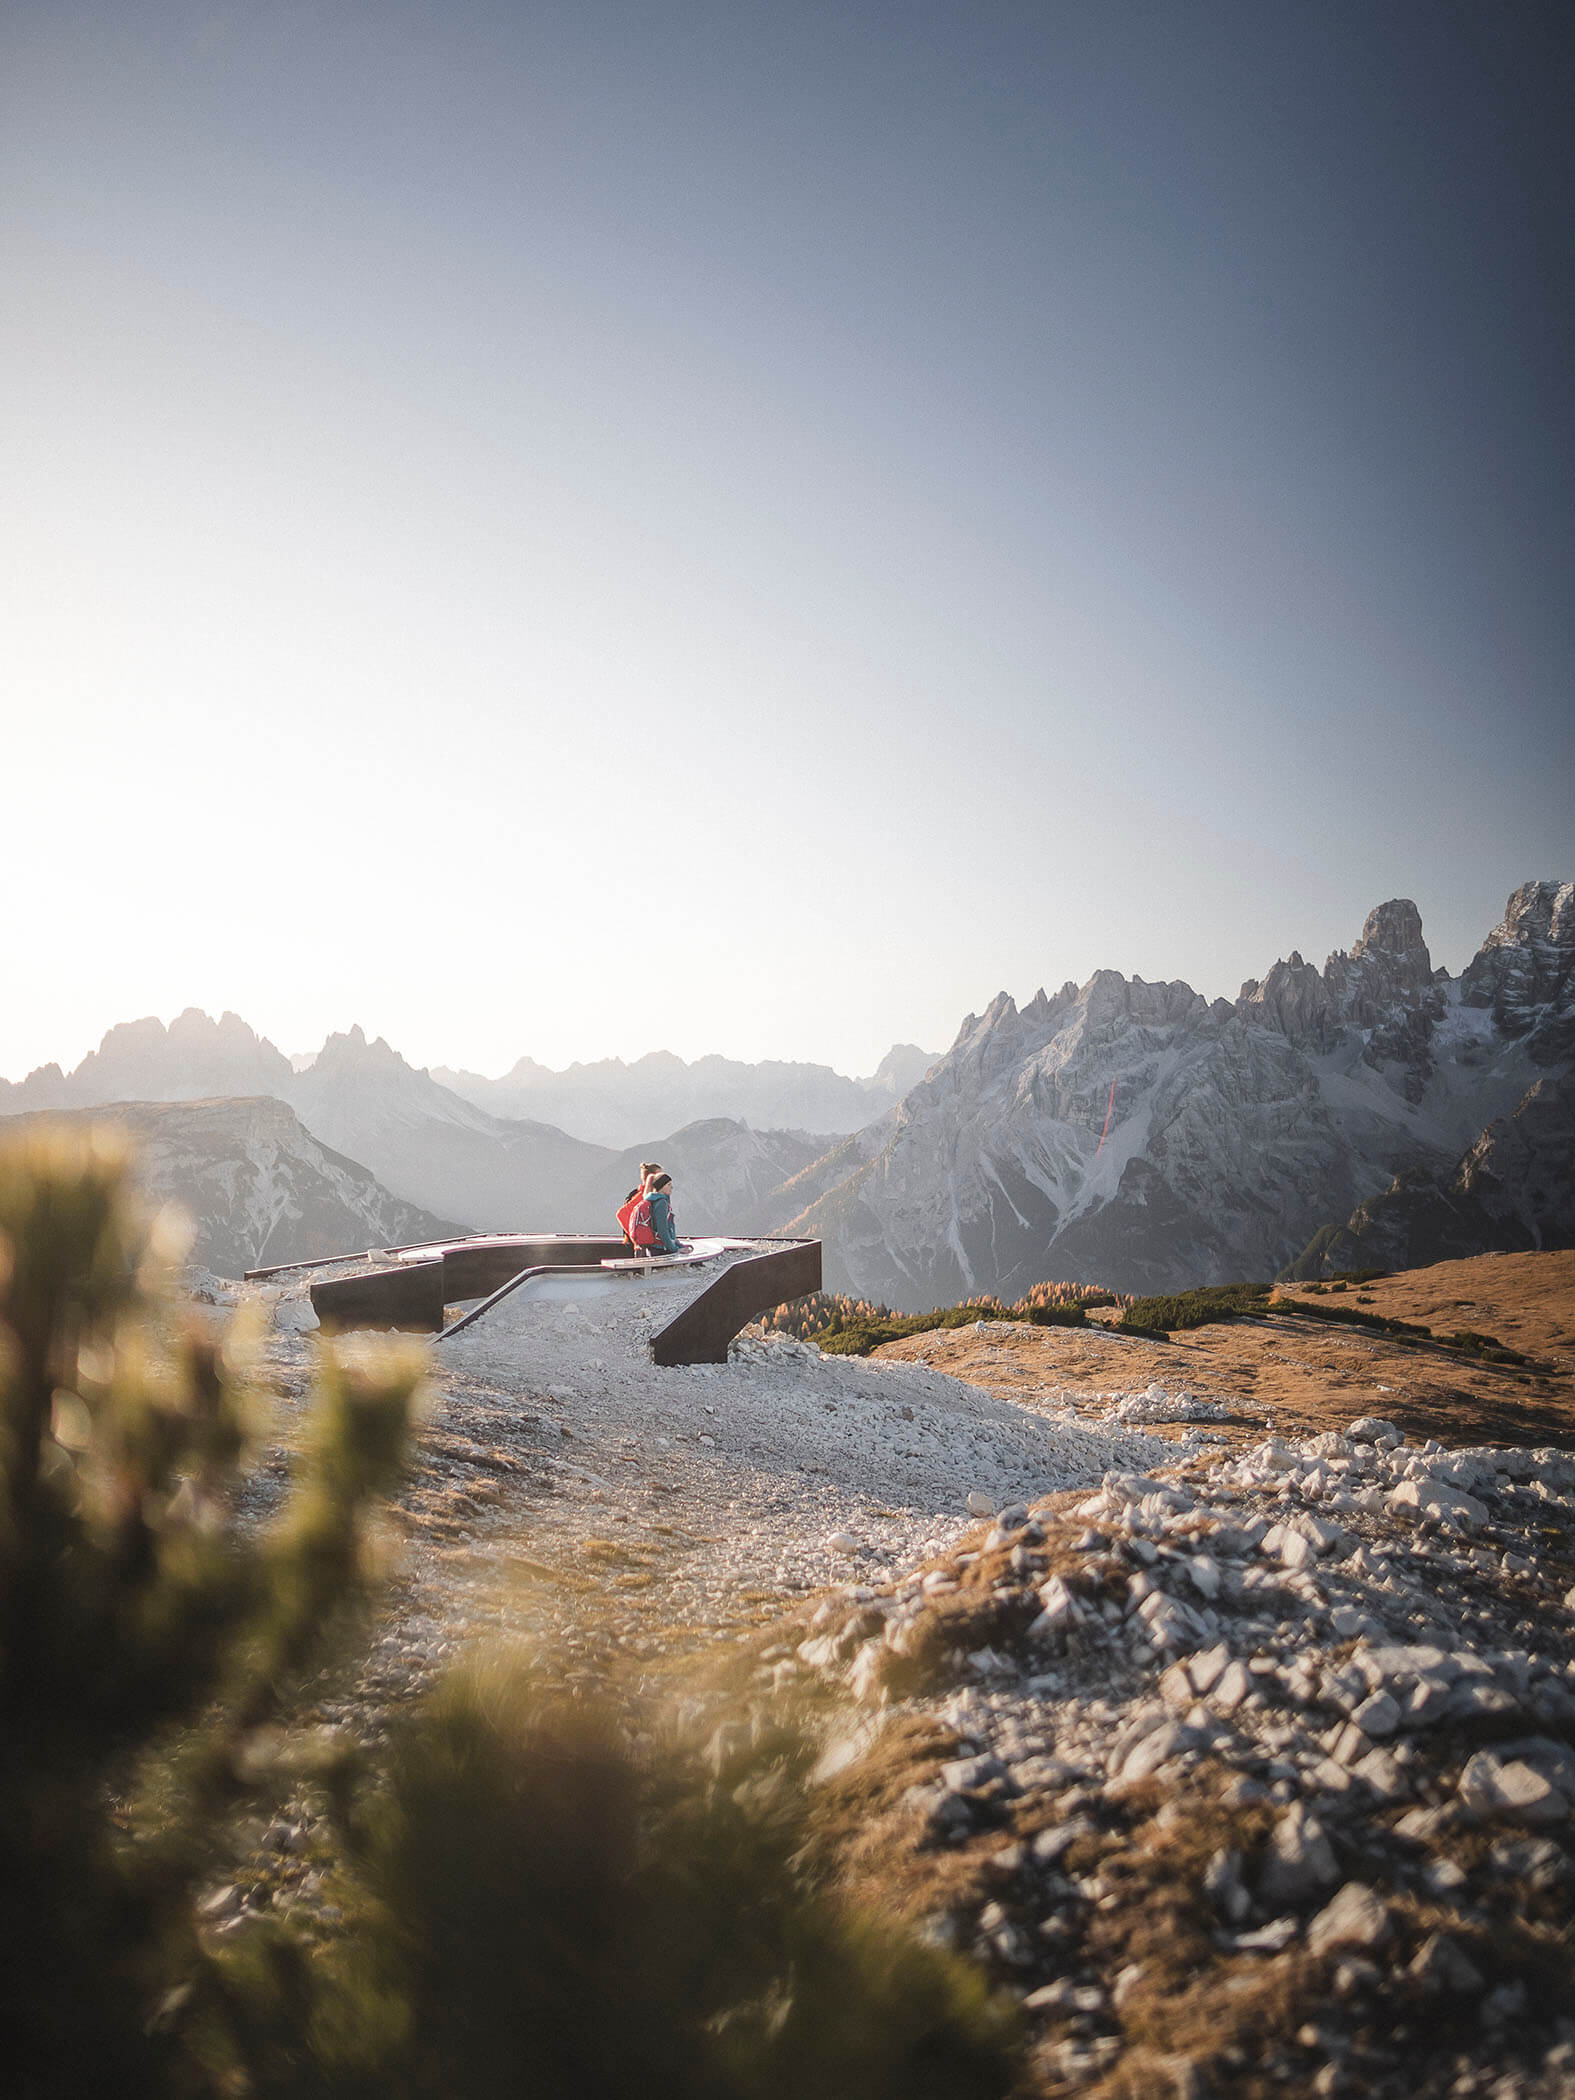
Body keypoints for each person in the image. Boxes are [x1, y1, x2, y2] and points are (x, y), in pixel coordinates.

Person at [643, 1171, 681, 1255]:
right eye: (668, 1185)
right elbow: (662, 1230)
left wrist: (678, 1245)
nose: (672, 1187)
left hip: (655, 1247)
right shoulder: (661, 1203)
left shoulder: (654, 1200)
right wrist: (674, 1249)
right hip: (661, 1248)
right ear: (661, 1186)